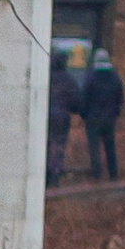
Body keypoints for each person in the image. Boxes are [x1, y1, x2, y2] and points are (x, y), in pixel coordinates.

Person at [80, 46, 124, 180]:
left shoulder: (90, 77)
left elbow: (84, 98)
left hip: (93, 117)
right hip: (110, 117)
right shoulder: (115, 77)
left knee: (94, 147)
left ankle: (97, 174)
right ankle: (113, 173)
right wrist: (116, 111)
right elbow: (120, 97)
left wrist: (84, 114)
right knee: (110, 146)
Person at [46, 49, 78, 185]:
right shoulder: (68, 80)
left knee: (45, 143)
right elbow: (76, 99)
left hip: (46, 116)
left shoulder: (47, 77)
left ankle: (45, 172)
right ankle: (55, 172)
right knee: (59, 145)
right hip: (62, 117)